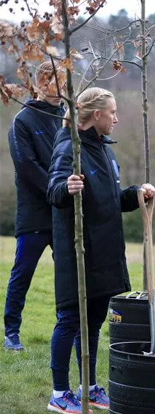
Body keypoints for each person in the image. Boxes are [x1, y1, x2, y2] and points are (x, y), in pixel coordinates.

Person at [47, 87, 155, 413]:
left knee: (94, 322)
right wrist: (66, 187)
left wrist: (137, 193)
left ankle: (89, 387)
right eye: (112, 112)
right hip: (79, 252)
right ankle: (59, 393)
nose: (116, 119)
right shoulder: (70, 147)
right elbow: (53, 191)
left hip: (105, 251)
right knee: (70, 319)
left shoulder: (104, 150)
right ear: (97, 115)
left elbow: (111, 199)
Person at [4, 61, 64, 351]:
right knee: (23, 272)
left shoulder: (67, 118)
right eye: (55, 82)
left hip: (63, 212)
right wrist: (57, 191)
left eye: (64, 82)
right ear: (40, 84)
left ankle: (67, 328)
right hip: (34, 214)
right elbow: (27, 167)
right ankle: (11, 333)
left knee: (68, 273)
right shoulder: (23, 121)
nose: (61, 89)